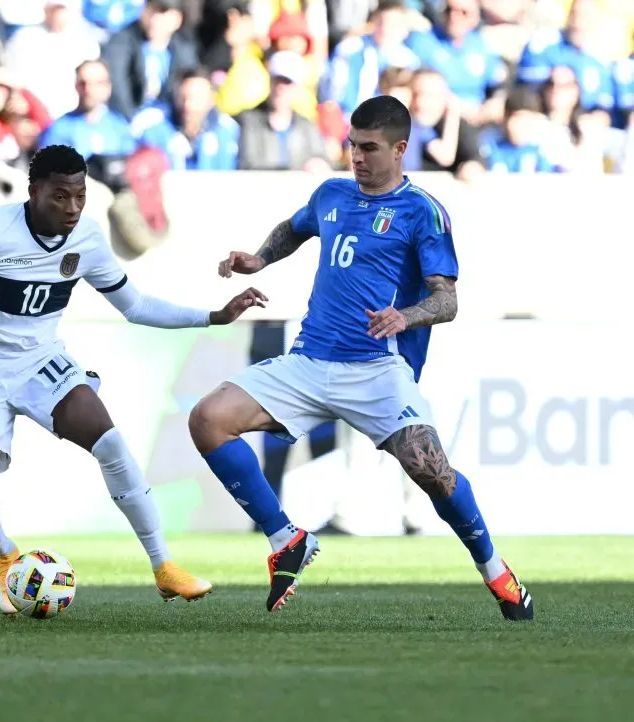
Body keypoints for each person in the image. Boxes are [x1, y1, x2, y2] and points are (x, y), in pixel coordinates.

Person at [186, 95, 535, 622]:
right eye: (352, 145)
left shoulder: (423, 211)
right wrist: (259, 258)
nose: (357, 156)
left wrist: (406, 316)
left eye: (369, 147)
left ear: (399, 149)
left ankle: (496, 572)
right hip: (309, 359)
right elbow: (295, 227)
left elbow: (448, 300)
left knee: (432, 472)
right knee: (207, 420)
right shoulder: (332, 193)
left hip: (377, 369)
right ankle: (287, 540)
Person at [0, 144, 266, 614]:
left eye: (80, 196)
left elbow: (135, 305)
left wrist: (213, 315)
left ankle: (164, 567)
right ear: (33, 192)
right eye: (60, 196)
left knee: (110, 442)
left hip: (41, 364)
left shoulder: (88, 240)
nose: (72, 208)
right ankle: (4, 554)